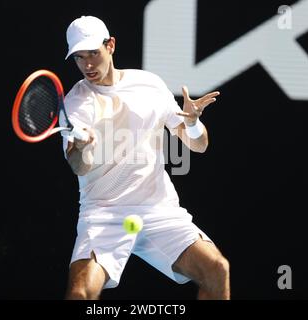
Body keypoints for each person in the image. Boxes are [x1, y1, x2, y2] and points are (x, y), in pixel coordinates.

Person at [60, 16, 230, 300]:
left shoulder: (149, 84)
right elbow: (80, 166)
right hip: (105, 214)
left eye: (93, 53)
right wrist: (80, 147)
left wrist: (191, 123)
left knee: (217, 270)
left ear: (110, 45)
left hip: (158, 211)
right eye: (79, 57)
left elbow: (199, 145)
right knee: (80, 293)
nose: (87, 64)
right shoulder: (76, 103)